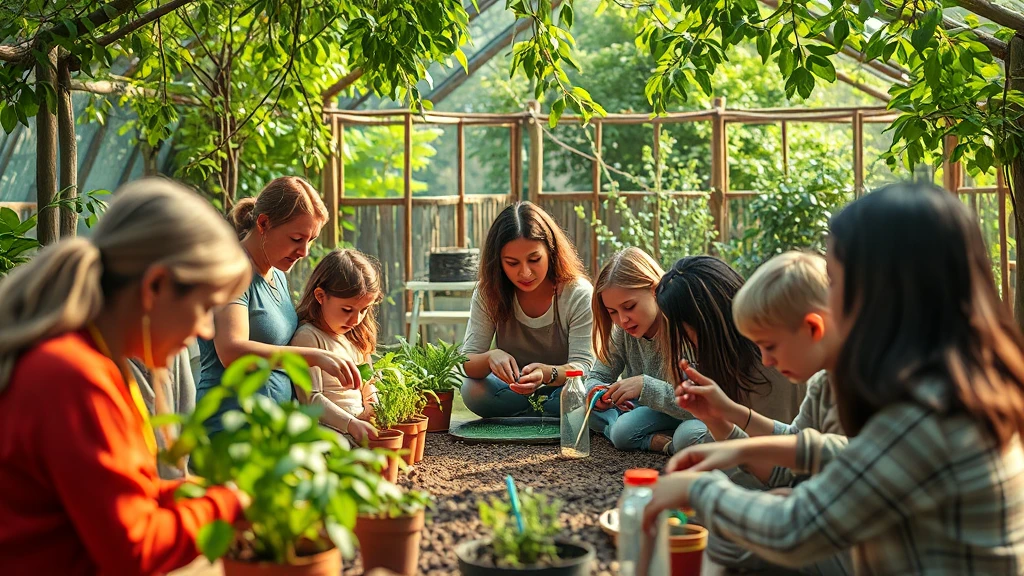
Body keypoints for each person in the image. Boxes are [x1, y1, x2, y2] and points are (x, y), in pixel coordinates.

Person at [645, 183, 1024, 574]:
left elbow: (795, 529)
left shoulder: (927, 412)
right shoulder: (949, 385)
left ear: (884, 290)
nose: (827, 298)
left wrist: (698, 489)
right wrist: (735, 445)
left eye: (834, 280)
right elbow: (843, 454)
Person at [0, 178, 251, 575]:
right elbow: (135, 549)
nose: (206, 330)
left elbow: (120, 494)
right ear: (155, 286)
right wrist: (226, 505)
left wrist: (203, 494)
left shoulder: (92, 361)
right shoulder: (73, 377)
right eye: (206, 307)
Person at [670, 251, 851, 575]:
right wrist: (718, 414)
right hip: (817, 522)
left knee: (723, 533)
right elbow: (789, 456)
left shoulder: (865, 390)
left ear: (813, 327)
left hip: (852, 546)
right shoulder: (823, 384)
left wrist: (722, 487)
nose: (766, 361)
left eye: (770, 347)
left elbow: (831, 473)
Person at [197, 176, 360, 434]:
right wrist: (314, 357)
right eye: (296, 238)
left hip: (271, 429)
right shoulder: (231, 272)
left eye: (311, 240)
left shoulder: (277, 273)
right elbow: (231, 351)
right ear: (263, 223)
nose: (304, 251)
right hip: (231, 428)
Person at [639, 256, 806, 452]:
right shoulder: (728, 358)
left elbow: (773, 457)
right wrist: (711, 417)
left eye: (683, 331)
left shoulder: (768, 365)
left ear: (704, 325)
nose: (684, 341)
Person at [460, 201, 595, 417]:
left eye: (534, 259)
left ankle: (535, 413)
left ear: (551, 252)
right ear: (498, 262)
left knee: (583, 394)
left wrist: (547, 373)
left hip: (562, 390)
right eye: (512, 263)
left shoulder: (577, 293)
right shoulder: (489, 293)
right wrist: (490, 358)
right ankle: (540, 414)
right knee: (472, 390)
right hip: (512, 391)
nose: (525, 273)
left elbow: (585, 367)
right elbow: (466, 362)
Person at [585, 248, 708, 454]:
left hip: (693, 413)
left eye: (629, 307)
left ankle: (656, 439)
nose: (622, 320)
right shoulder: (622, 331)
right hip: (650, 412)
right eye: (612, 312)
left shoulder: (686, 328)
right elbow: (598, 375)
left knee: (688, 436)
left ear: (655, 290)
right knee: (586, 410)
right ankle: (656, 441)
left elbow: (702, 401)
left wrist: (645, 386)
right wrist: (598, 393)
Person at [291, 249, 381, 444]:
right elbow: (310, 399)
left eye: (364, 310)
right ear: (320, 296)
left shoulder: (356, 337)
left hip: (358, 426)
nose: (356, 320)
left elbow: (368, 383)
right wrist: (351, 424)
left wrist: (372, 405)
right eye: (347, 309)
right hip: (329, 432)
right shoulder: (309, 338)